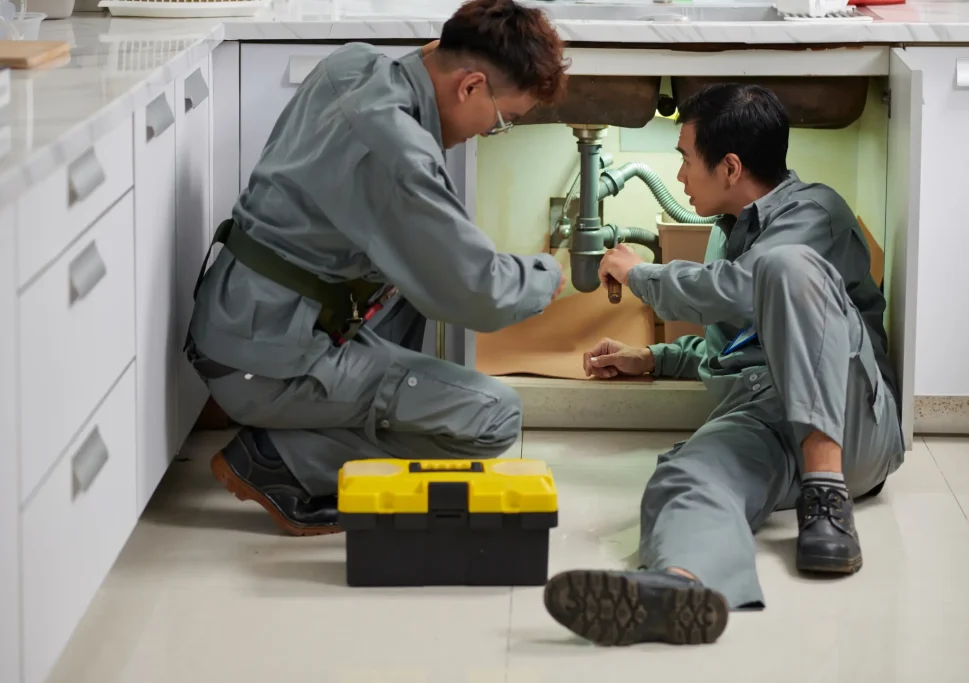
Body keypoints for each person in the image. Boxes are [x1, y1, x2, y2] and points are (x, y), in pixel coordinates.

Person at [185, 0, 568, 536]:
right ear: (471, 86)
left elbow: (440, 257)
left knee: (416, 276)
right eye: (503, 120)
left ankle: (323, 414)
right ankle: (285, 459)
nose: (492, 129)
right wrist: (547, 275)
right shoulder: (397, 153)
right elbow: (478, 293)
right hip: (266, 358)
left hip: (237, 317)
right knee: (494, 416)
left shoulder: (354, 65)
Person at [542, 84, 905, 647]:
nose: (681, 174)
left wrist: (640, 274)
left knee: (784, 268)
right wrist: (656, 359)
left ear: (730, 166)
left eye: (686, 157)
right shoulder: (725, 236)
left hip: (850, 422)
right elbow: (736, 347)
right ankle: (681, 584)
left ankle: (826, 498)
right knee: (687, 473)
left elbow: (741, 292)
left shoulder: (816, 212)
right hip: (764, 417)